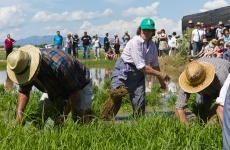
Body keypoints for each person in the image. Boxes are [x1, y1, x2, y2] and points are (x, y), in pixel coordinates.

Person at [6, 45, 93, 126]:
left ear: (35, 67)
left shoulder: (60, 64)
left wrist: (64, 116)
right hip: (54, 88)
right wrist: (19, 115)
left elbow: (75, 92)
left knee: (83, 116)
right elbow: (23, 92)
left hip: (80, 82)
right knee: (39, 116)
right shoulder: (22, 67)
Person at [104, 18, 170, 118]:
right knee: (115, 99)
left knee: (140, 104)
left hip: (138, 75)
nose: (146, 32)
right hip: (124, 71)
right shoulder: (135, 42)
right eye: (144, 30)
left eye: (149, 30)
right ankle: (106, 122)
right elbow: (142, 67)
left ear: (153, 32)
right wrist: (160, 74)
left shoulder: (152, 45)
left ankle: (137, 123)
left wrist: (161, 81)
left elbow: (155, 65)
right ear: (140, 30)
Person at [174, 58, 230, 124]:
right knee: (201, 112)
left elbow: (222, 103)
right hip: (209, 84)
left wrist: (207, 117)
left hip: (220, 81)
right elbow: (179, 107)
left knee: (223, 113)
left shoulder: (221, 79)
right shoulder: (190, 75)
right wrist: (187, 129)